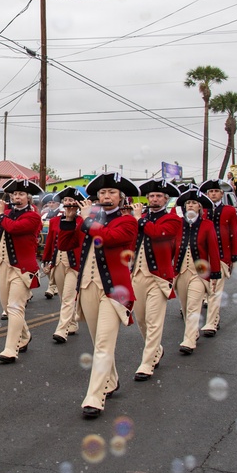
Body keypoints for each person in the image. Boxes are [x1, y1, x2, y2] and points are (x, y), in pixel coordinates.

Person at [76, 173, 139, 419]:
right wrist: (72, 220)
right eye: (102, 193)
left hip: (114, 291)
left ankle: (94, 397)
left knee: (103, 343)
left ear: (121, 197)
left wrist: (87, 220)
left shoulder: (128, 221)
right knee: (97, 341)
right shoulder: (90, 219)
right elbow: (68, 244)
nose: (106, 196)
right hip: (88, 285)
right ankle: (110, 380)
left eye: (112, 192)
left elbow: (110, 238)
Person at [130, 179, 181, 381]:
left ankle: (147, 362)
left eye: (158, 196)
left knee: (154, 321)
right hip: (138, 274)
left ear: (166, 199)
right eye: (151, 196)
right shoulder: (140, 218)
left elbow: (158, 234)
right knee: (140, 319)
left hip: (159, 277)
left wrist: (138, 220)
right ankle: (156, 349)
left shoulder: (172, 219)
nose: (154, 199)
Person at [0, 178, 43, 364]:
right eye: (14, 194)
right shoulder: (5, 214)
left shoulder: (33, 216)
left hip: (22, 268)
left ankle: (10, 349)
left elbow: (14, 228)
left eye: (21, 194)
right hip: (3, 265)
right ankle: (25, 334)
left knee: (15, 307)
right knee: (7, 306)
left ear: (28, 198)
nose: (17, 197)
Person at [173, 188, 222, 355]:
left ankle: (189, 340)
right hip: (180, 272)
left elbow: (213, 252)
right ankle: (192, 331)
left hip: (199, 273)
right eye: (188, 203)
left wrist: (214, 275)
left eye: (194, 203)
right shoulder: (178, 224)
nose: (191, 206)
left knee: (194, 306)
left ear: (200, 207)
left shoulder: (207, 225)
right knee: (185, 306)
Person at [199, 179, 237, 338]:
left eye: (216, 191)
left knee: (215, 290)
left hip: (222, 256)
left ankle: (211, 323)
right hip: (203, 257)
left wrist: (234, 256)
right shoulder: (202, 210)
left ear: (222, 193)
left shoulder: (229, 210)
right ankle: (212, 318)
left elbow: (233, 233)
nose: (213, 194)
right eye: (210, 192)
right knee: (203, 289)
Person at [49, 187, 86, 344]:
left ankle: (61, 329)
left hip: (74, 263)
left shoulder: (82, 221)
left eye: (72, 201)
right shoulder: (54, 221)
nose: (69, 203)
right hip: (58, 260)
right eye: (66, 201)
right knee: (63, 295)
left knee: (69, 297)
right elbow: (52, 241)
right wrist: (47, 260)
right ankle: (72, 323)